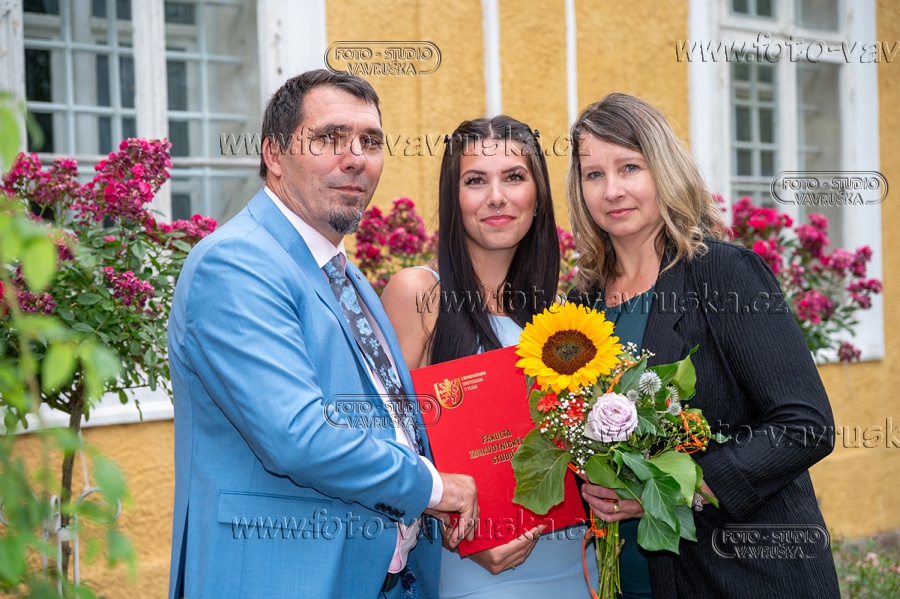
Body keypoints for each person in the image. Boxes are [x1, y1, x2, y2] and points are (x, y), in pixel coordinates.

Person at [166, 69, 479, 599]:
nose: (355, 158)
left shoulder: (341, 272)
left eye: (370, 141)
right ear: (274, 154)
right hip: (279, 576)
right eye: (330, 138)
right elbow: (298, 437)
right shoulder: (237, 263)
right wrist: (431, 487)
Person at [566, 93, 841, 598]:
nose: (612, 190)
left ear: (663, 170)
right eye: (594, 174)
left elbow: (805, 426)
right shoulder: (581, 302)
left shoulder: (723, 274)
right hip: (627, 578)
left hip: (741, 575)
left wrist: (667, 491)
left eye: (630, 167)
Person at [381, 115, 596, 598]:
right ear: (453, 198)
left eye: (514, 177)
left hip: (578, 566)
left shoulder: (559, 317)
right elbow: (388, 444)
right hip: (475, 569)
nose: (496, 197)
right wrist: (456, 529)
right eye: (475, 180)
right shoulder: (419, 294)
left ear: (538, 196)